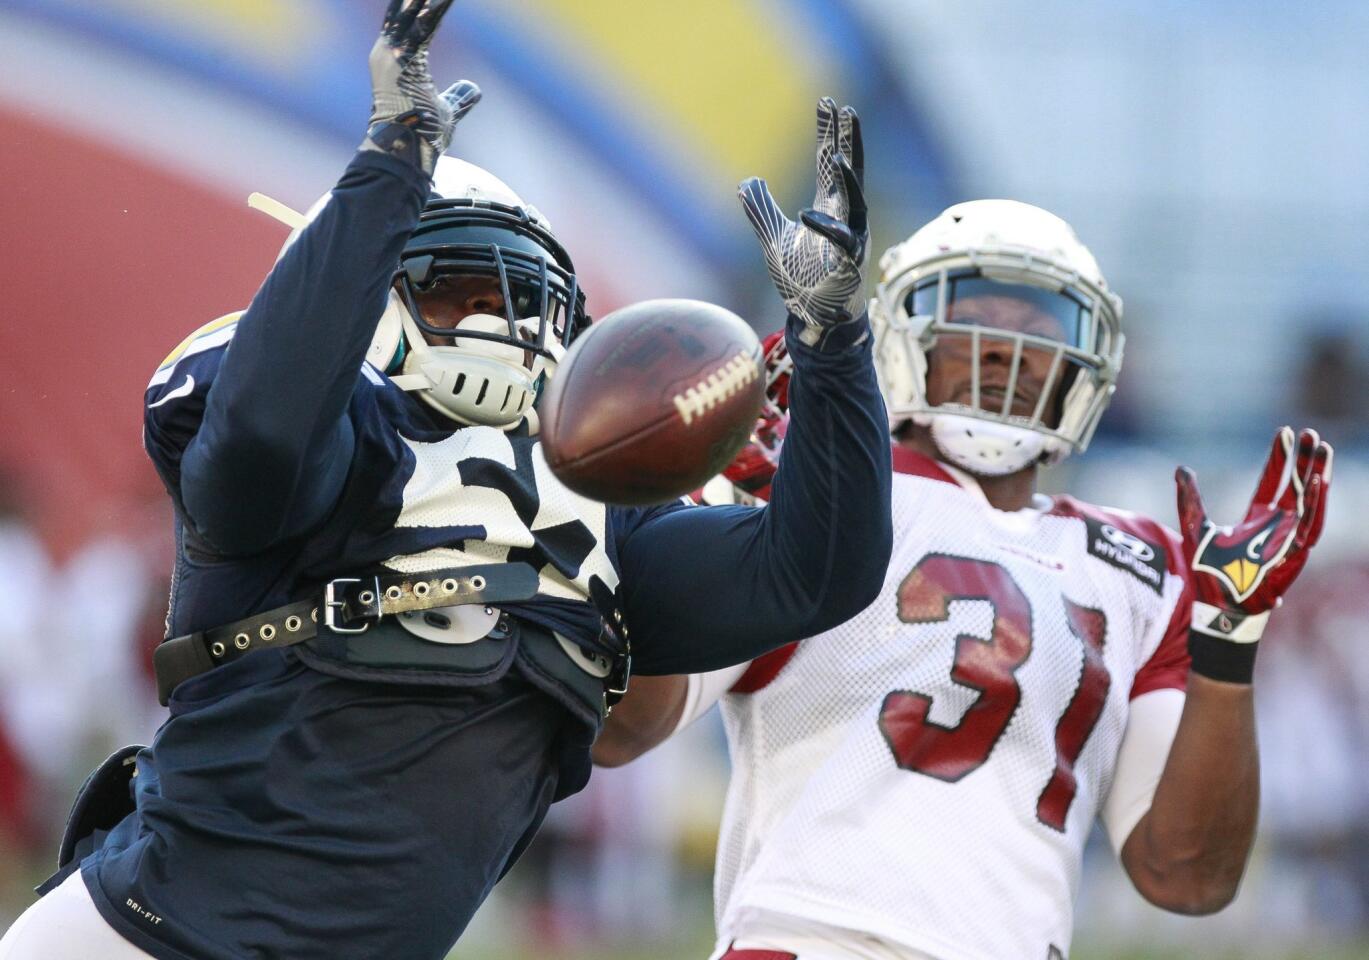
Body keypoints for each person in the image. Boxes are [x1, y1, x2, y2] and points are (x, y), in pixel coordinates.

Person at [0, 2, 894, 958]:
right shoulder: (330, 439)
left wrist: (832, 344)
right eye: (456, 290)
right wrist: (386, 169)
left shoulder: (596, 518)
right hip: (147, 941)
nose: (496, 325)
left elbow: (821, 572)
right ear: (367, 291)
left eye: (522, 302)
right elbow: (262, 433)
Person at [594, 199, 1334, 960]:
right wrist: (693, 530)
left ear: (1084, 368)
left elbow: (1187, 877)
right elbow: (624, 729)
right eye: (969, 322)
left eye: (1036, 333)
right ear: (901, 340)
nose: (1000, 352)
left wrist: (1228, 642)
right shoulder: (821, 492)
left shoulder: (1140, 565)